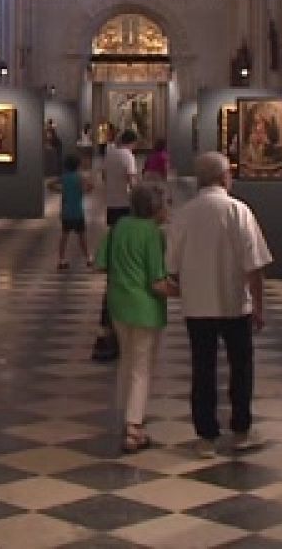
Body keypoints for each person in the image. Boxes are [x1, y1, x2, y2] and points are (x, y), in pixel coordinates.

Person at [166, 151, 273, 457]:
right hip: (234, 305)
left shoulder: (184, 214)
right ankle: (241, 430)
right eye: (230, 172)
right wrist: (259, 308)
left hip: (197, 306)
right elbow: (255, 266)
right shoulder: (239, 211)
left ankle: (206, 437)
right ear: (222, 176)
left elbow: (171, 265)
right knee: (241, 368)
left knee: (203, 369)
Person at [96, 185, 178, 453]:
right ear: (155, 208)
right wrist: (183, 291)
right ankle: (134, 427)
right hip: (144, 308)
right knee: (142, 367)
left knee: (128, 362)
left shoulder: (120, 226)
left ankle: (126, 413)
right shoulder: (152, 234)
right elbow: (157, 283)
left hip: (118, 304)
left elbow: (101, 263)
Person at [91, 129, 140, 361]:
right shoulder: (127, 156)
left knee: (116, 236)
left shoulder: (109, 154)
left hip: (111, 203)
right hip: (124, 203)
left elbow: (102, 176)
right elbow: (132, 179)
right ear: (132, 142)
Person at [57, 155, 90, 269]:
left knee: (64, 236)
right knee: (82, 236)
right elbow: (90, 186)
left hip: (66, 211)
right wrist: (83, 190)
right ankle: (88, 257)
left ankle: (61, 259)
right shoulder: (80, 177)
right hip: (78, 211)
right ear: (78, 165)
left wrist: (61, 190)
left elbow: (49, 184)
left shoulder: (64, 177)